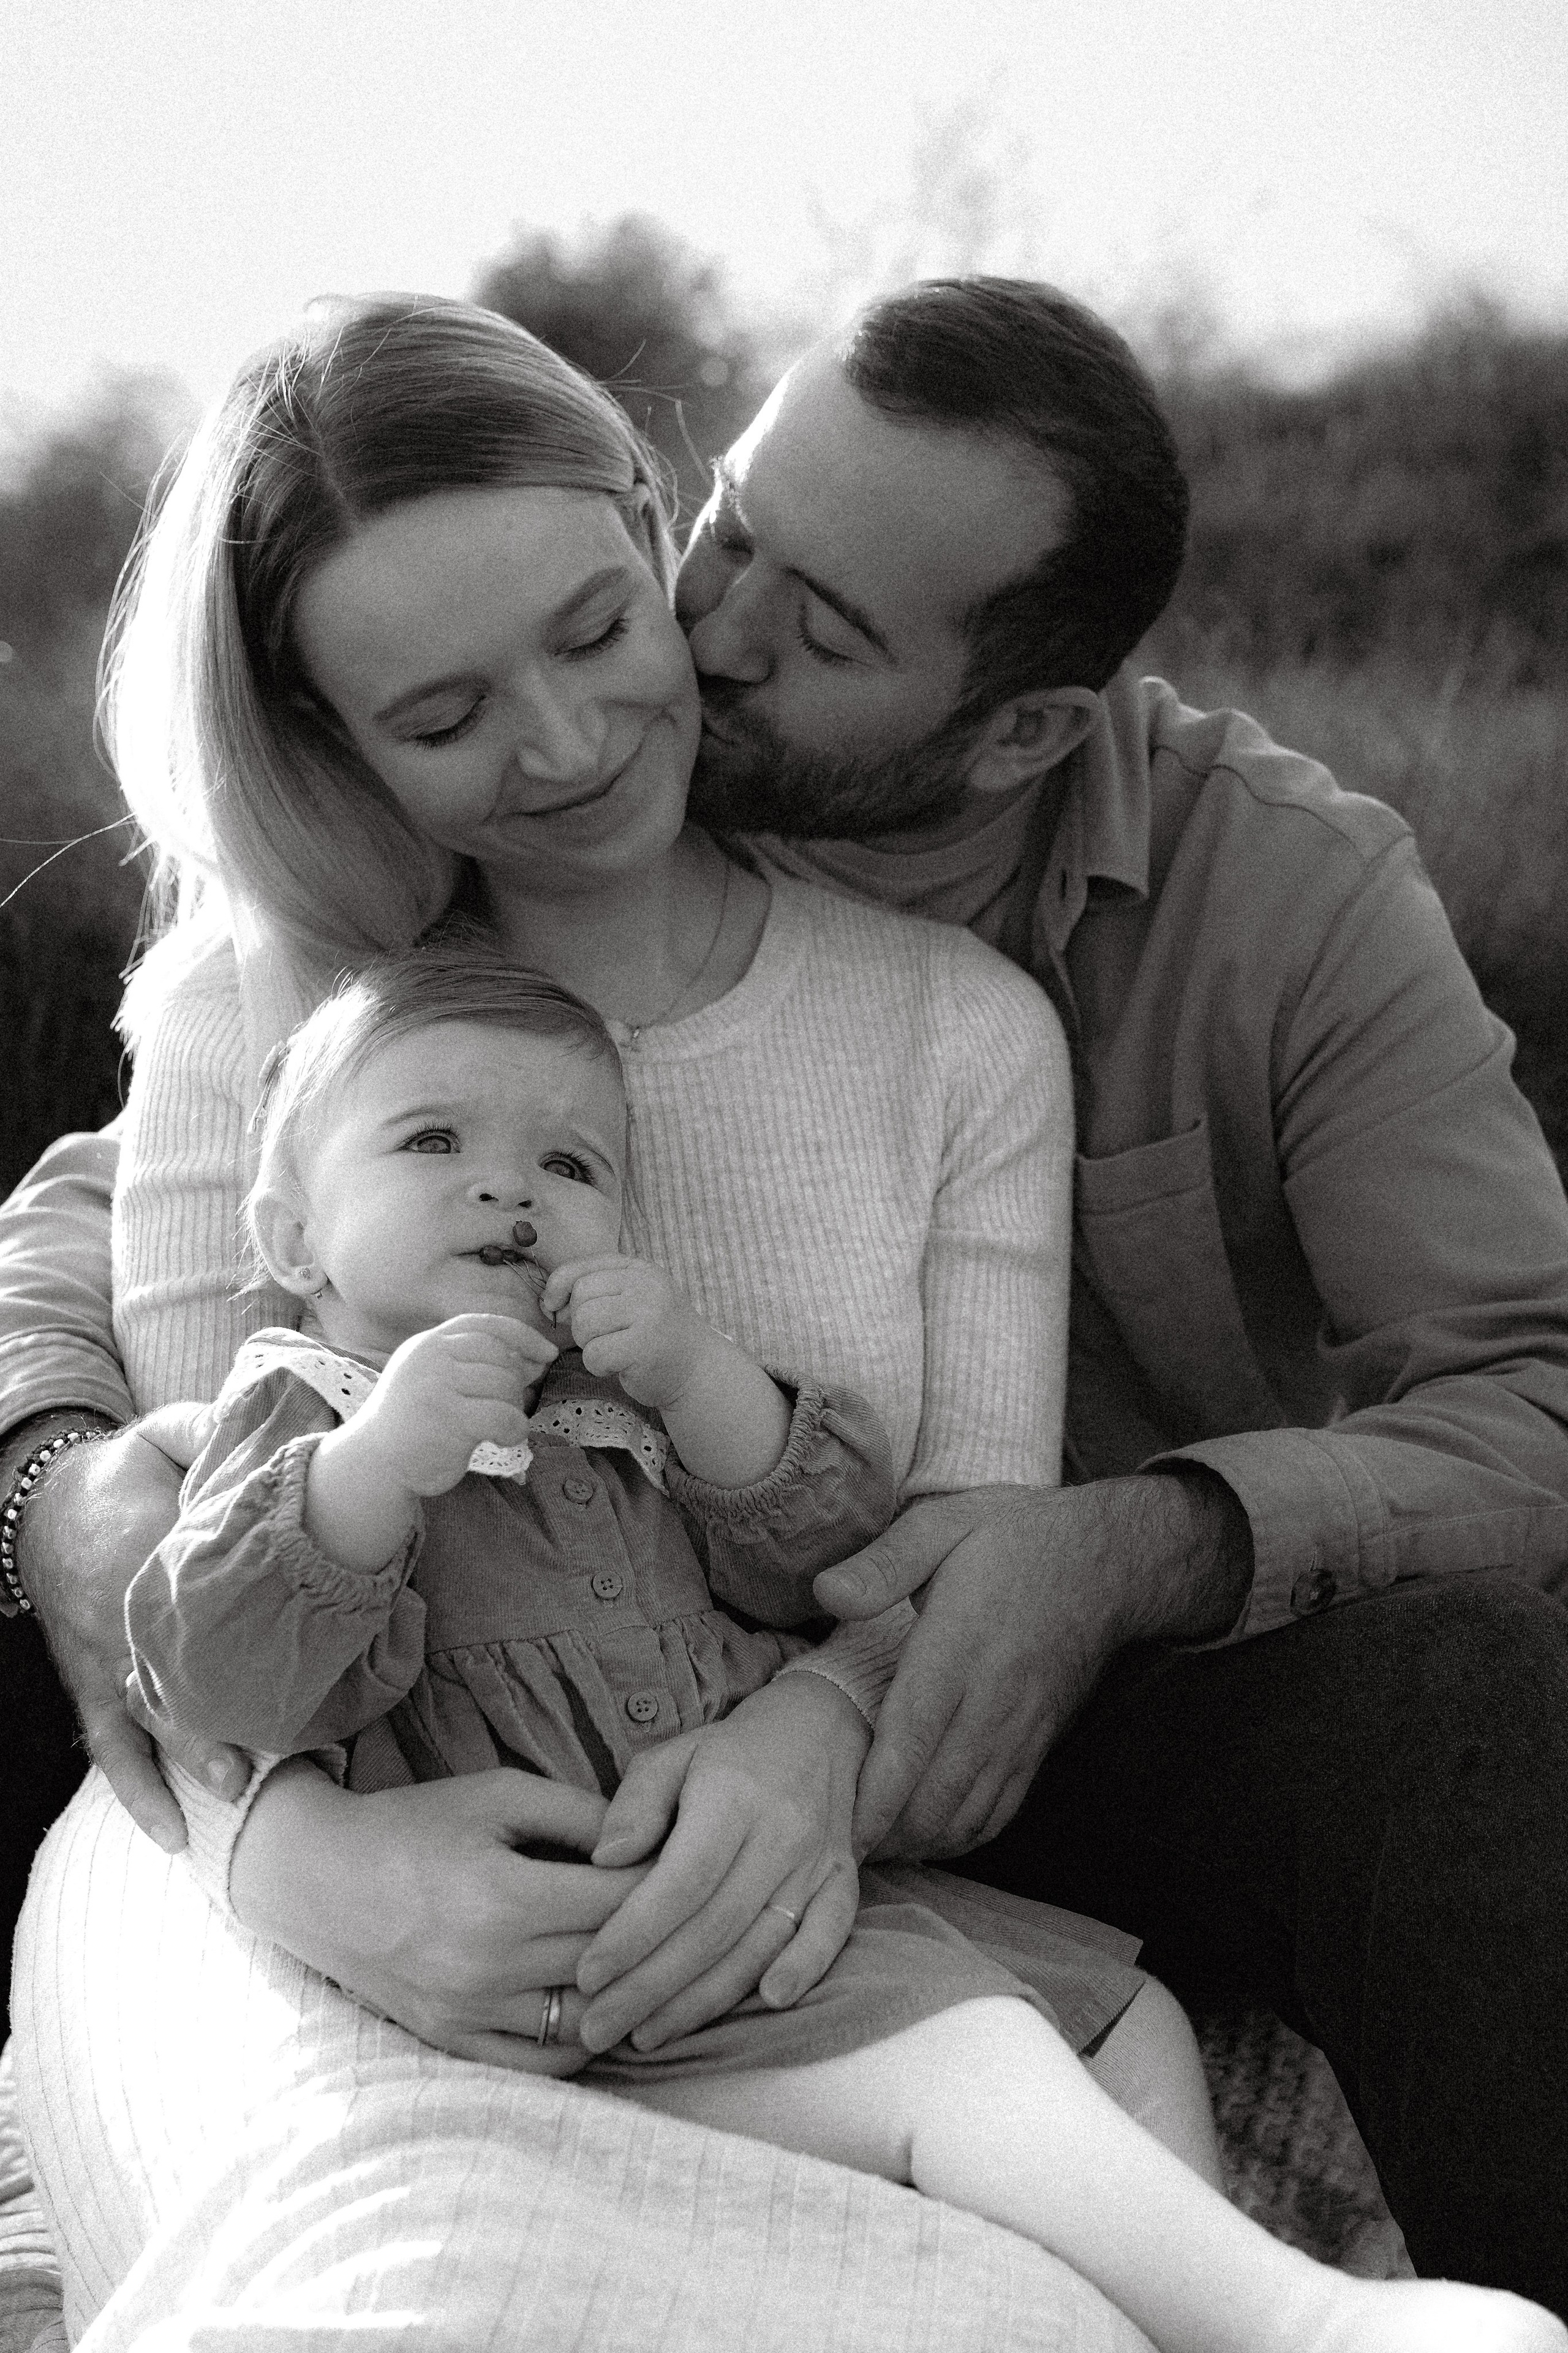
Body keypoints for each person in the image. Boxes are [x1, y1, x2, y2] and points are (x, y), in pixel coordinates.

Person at [8, 272, 1568, 2311]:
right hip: (417, 1725)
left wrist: (1027, 1607)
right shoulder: (360, 944)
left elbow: (1518, 1394)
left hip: (1032, 1683)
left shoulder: (1219, 918)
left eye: (810, 630)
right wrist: (76, 1513)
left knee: (1455, 1718)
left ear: (1016, 727)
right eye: (726, 538)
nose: (695, 655)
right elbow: (150, 1250)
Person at [113, 948, 1568, 2353]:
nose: (507, 1187)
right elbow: (220, 1682)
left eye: (571, 1166)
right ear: (291, 1237)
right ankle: (1302, 2323)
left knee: (1129, 2018)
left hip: (796, 1885)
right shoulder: (297, 1414)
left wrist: (697, 1377)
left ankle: (1161, 2313)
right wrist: (378, 1467)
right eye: (431, 1140)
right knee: (976, 2064)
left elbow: (826, 1558)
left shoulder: (604, 1412)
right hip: (598, 1956)